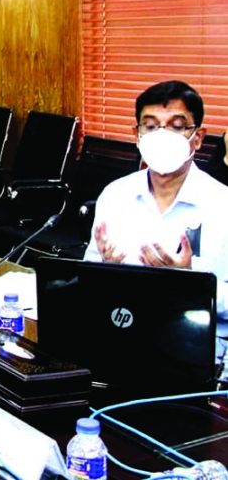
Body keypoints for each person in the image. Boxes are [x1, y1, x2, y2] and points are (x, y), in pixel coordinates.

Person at [85, 80, 228, 341]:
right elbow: (85, 281)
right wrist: (104, 273)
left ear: (197, 138)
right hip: (121, 333)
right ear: (137, 135)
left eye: (176, 127)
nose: (161, 136)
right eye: (150, 126)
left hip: (197, 341)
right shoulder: (115, 195)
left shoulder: (222, 205)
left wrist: (191, 282)